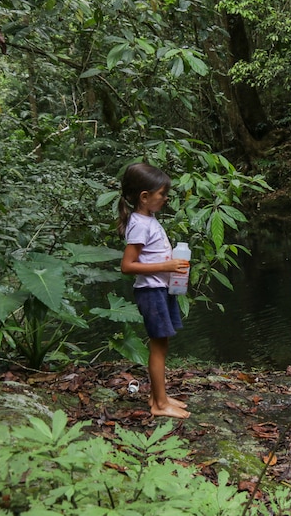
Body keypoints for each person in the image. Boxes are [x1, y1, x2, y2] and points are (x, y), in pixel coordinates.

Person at [117, 162, 191, 419]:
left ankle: (158, 395)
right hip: (151, 292)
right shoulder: (139, 224)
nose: (166, 198)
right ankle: (159, 405)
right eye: (162, 194)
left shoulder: (148, 218)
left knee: (163, 344)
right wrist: (167, 265)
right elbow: (127, 266)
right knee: (158, 348)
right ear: (144, 197)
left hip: (162, 289)